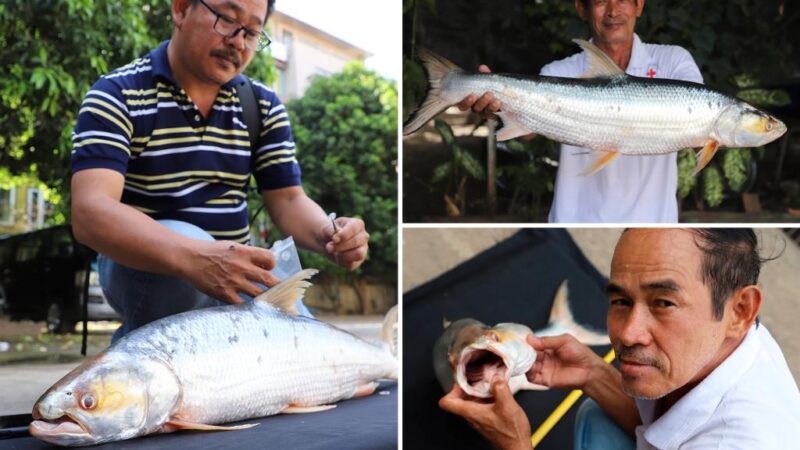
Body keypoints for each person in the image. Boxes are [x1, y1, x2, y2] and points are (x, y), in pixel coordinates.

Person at [70, 0, 369, 342]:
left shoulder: (261, 105)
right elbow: (91, 211)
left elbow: (288, 200)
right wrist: (196, 256)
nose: (239, 42)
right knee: (189, 240)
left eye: (253, 32)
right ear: (181, 9)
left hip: (237, 273)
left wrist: (330, 234)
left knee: (317, 350)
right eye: (227, 20)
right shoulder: (118, 94)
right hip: (146, 270)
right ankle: (147, 353)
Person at [439, 229, 800, 449]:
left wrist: (514, 444)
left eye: (664, 303)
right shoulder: (727, 342)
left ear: (740, 310)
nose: (627, 333)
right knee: (598, 412)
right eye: (621, 301)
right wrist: (593, 375)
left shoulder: (743, 442)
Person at [458, 0, 703, 223]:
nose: (613, 11)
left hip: (653, 227)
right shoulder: (559, 71)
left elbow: (700, 129)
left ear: (639, 5)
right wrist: (498, 108)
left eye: (623, 0)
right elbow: (527, 132)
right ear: (581, 8)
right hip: (573, 220)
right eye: (600, 2)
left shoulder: (674, 61)